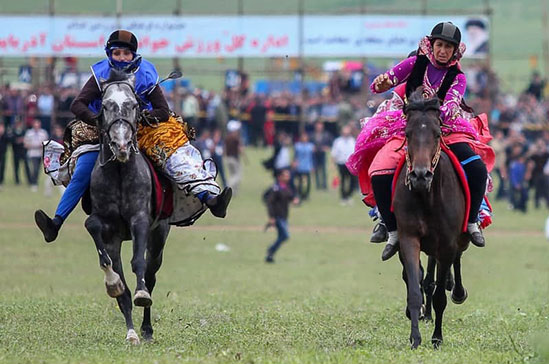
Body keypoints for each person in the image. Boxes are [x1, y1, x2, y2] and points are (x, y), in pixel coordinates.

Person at [34, 29, 231, 243]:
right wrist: (98, 119)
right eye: (116, 53)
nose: (121, 58)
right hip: (105, 131)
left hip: (143, 129)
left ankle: (210, 199)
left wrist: (144, 117)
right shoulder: (100, 73)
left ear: (133, 54)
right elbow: (77, 104)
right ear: (109, 54)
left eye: (126, 54)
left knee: (176, 157)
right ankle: (56, 223)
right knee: (83, 168)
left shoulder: (146, 72)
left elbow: (163, 110)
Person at [346, 22, 494, 261]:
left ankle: (471, 222)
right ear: (431, 45)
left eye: (448, 47)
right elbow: (385, 81)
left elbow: (450, 106)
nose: (443, 50)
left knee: (476, 167)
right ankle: (391, 228)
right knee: (379, 170)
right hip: (407, 127)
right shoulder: (416, 63)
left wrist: (432, 113)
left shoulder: (458, 77)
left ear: (455, 51)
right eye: (439, 45)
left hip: (443, 128)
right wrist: (381, 83)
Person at [264, 168, 299, 263]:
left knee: (281, 236)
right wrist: (271, 217)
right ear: (280, 177)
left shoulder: (286, 187)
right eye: (286, 175)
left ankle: (270, 256)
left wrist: (294, 200)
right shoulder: (276, 188)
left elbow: (291, 196)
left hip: (284, 216)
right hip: (277, 216)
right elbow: (269, 203)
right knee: (285, 235)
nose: (288, 177)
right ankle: (271, 249)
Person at [332, 124, 357, 205]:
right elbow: (334, 152)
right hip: (341, 163)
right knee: (343, 180)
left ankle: (348, 195)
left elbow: (355, 151)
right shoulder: (338, 141)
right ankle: (343, 197)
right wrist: (334, 162)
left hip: (350, 164)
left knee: (353, 181)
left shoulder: (352, 140)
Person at [24, 119, 49, 192]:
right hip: (32, 153)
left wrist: (41, 146)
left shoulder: (43, 133)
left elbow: (46, 142)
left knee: (38, 169)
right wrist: (33, 145)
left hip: (40, 153)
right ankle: (33, 183)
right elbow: (26, 144)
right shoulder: (29, 133)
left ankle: (35, 181)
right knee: (34, 168)